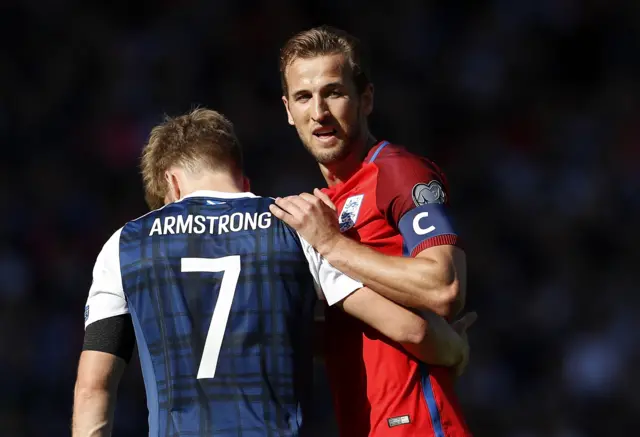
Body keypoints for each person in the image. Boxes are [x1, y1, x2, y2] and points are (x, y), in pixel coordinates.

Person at [71, 108, 471, 437]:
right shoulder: (293, 226)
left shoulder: (125, 244)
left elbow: (94, 388)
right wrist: (454, 348)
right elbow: (409, 329)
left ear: (171, 185)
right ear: (242, 179)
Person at [271, 26, 473, 437]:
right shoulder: (329, 202)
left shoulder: (397, 170)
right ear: (288, 111)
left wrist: (330, 244)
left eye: (334, 92)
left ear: (365, 99)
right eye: (304, 97)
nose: (319, 112)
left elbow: (444, 285)